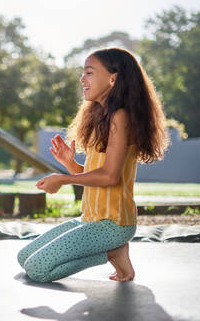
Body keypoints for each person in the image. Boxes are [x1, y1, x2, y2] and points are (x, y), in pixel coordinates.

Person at [17, 47, 168, 282]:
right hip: (91, 218)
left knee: (37, 269)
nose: (82, 79)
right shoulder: (103, 116)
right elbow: (96, 177)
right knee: (24, 257)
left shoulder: (121, 117)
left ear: (113, 78)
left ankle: (113, 252)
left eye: (89, 73)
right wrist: (71, 165)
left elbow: (109, 177)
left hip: (113, 224)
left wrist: (64, 179)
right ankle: (113, 252)